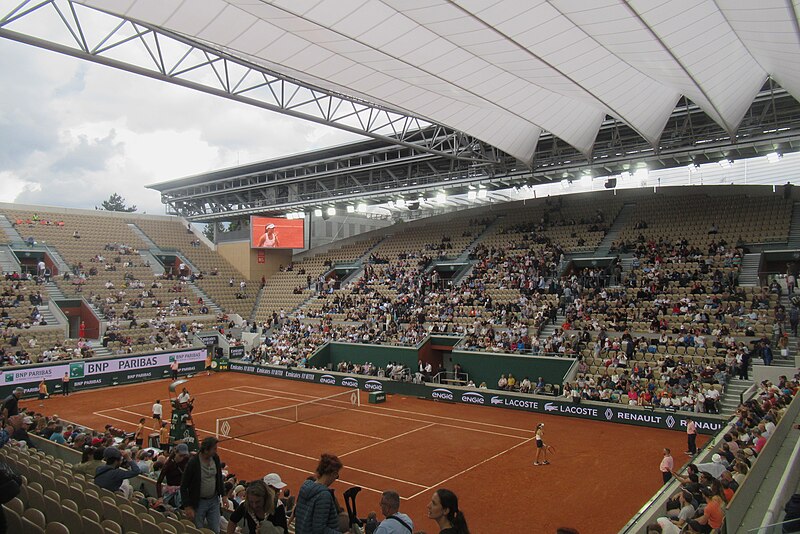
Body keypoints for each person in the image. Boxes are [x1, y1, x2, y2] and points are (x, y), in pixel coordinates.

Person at [181, 437, 224, 533]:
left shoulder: (215, 458)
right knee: (198, 530)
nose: (216, 451)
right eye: (214, 449)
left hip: (214, 501)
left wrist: (223, 495)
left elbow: (219, 477)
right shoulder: (193, 463)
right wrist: (188, 506)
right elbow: (183, 486)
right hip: (198, 503)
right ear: (206, 450)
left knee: (216, 530)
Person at [294, 453, 343, 534]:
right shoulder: (324, 496)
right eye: (336, 476)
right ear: (333, 473)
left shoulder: (304, 487)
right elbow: (319, 530)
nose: (335, 479)